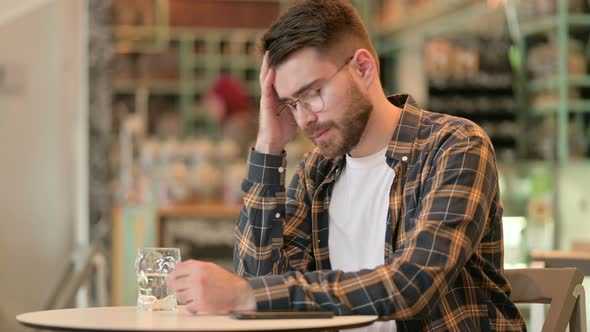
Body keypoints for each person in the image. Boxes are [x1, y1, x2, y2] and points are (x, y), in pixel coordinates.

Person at [167, 1, 527, 330]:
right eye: (291, 104)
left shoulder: (454, 145)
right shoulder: (317, 172)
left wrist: (246, 296)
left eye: (312, 94)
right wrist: (268, 147)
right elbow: (260, 280)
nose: (304, 119)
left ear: (363, 68)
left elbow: (413, 283)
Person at [203, 75, 258, 153]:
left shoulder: (236, 125)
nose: (210, 110)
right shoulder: (245, 118)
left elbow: (236, 156)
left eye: (213, 103)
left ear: (226, 99)